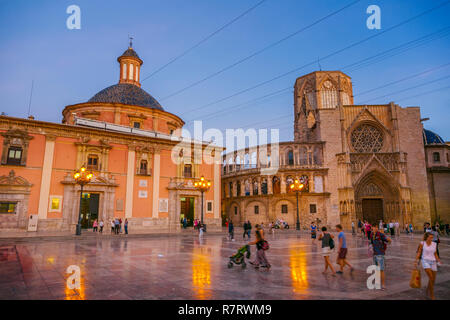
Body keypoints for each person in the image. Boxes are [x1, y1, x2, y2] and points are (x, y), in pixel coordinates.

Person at [415, 232, 441, 300]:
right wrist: (416, 261)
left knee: (433, 279)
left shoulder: (434, 244)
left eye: (432, 237)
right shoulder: (422, 243)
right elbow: (419, 252)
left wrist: (438, 260)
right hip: (425, 261)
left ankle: (427, 290)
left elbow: (435, 254)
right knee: (431, 277)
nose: (432, 239)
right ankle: (432, 295)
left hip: (433, 262)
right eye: (430, 237)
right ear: (427, 237)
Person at [370, 224, 391, 290]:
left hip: (380, 254)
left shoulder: (380, 234)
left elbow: (388, 241)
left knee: (381, 269)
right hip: (375, 254)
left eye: (374, 227)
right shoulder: (371, 235)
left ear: (376, 227)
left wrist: (389, 240)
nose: (373, 228)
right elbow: (372, 243)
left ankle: (383, 285)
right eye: (372, 227)